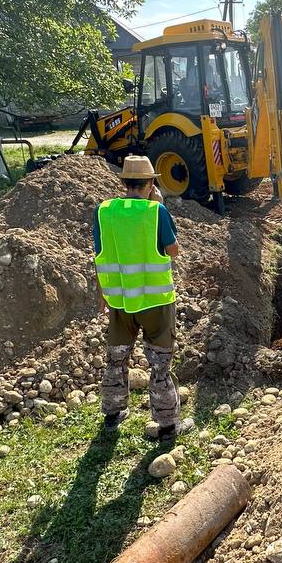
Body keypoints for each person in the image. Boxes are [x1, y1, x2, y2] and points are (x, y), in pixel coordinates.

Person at [93, 155, 185, 439]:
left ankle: (112, 413)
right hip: (156, 302)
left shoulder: (104, 212)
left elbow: (99, 255)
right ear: (151, 183)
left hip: (120, 300)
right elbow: (172, 250)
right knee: (159, 364)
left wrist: (102, 294)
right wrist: (158, 205)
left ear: (123, 183)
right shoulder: (155, 212)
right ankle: (168, 425)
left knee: (116, 358)